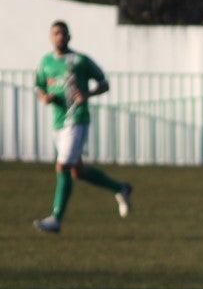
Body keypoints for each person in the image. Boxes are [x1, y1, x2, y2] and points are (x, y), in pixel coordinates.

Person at [32, 20, 131, 234]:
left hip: (76, 120)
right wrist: (44, 97)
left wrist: (88, 94)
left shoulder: (80, 61)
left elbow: (104, 83)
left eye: (63, 33)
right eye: (55, 33)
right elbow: (38, 85)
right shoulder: (46, 63)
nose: (59, 37)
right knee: (78, 171)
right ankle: (121, 188)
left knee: (63, 166)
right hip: (58, 122)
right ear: (51, 37)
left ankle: (56, 218)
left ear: (69, 36)